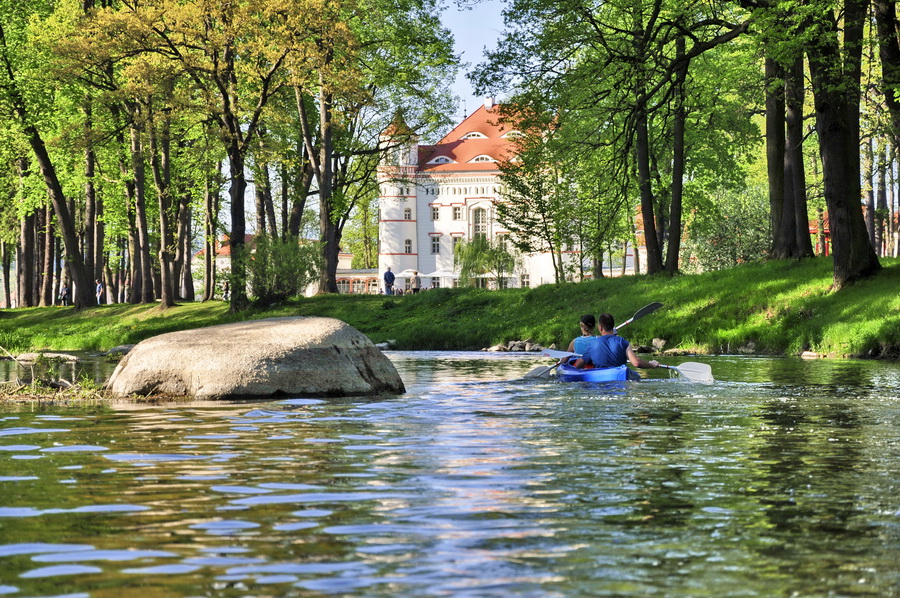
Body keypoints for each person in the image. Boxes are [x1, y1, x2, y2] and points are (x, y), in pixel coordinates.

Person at [573, 312, 659, 371]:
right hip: (620, 378)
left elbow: (579, 365)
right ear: (613, 326)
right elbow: (636, 363)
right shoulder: (623, 342)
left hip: (600, 382)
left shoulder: (593, 344)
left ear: (600, 328)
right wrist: (652, 365)